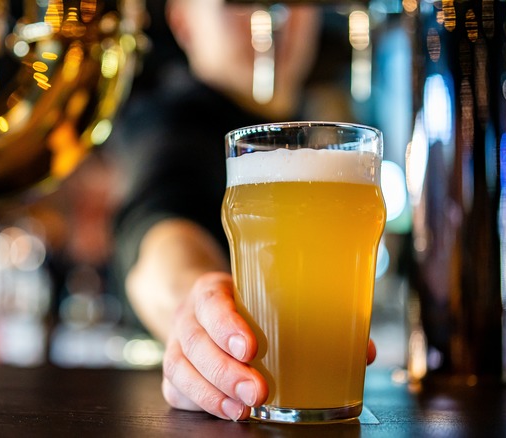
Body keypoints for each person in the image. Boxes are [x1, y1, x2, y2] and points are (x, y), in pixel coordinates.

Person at [106, 0, 376, 421]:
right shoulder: (171, 120)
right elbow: (159, 234)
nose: (273, 18)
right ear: (183, 23)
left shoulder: (323, 126)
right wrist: (199, 309)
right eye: (239, 2)